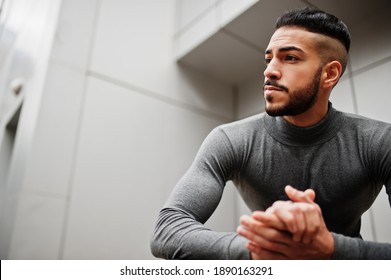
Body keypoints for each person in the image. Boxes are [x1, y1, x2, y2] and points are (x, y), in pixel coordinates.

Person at [150, 7, 391, 259]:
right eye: (269, 59)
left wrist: (330, 249)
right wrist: (259, 250)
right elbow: (167, 230)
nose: (269, 71)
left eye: (290, 58)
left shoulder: (380, 141)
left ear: (329, 74)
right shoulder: (231, 140)